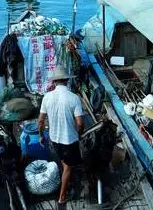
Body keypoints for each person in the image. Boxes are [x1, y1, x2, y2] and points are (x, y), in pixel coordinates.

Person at [38, 67, 84, 208]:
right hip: (69, 141)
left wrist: (41, 135)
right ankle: (62, 197)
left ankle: (65, 173)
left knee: (64, 162)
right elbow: (80, 123)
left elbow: (40, 121)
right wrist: (79, 133)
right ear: (66, 81)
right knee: (69, 167)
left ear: (54, 82)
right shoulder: (74, 98)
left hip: (54, 139)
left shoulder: (47, 97)